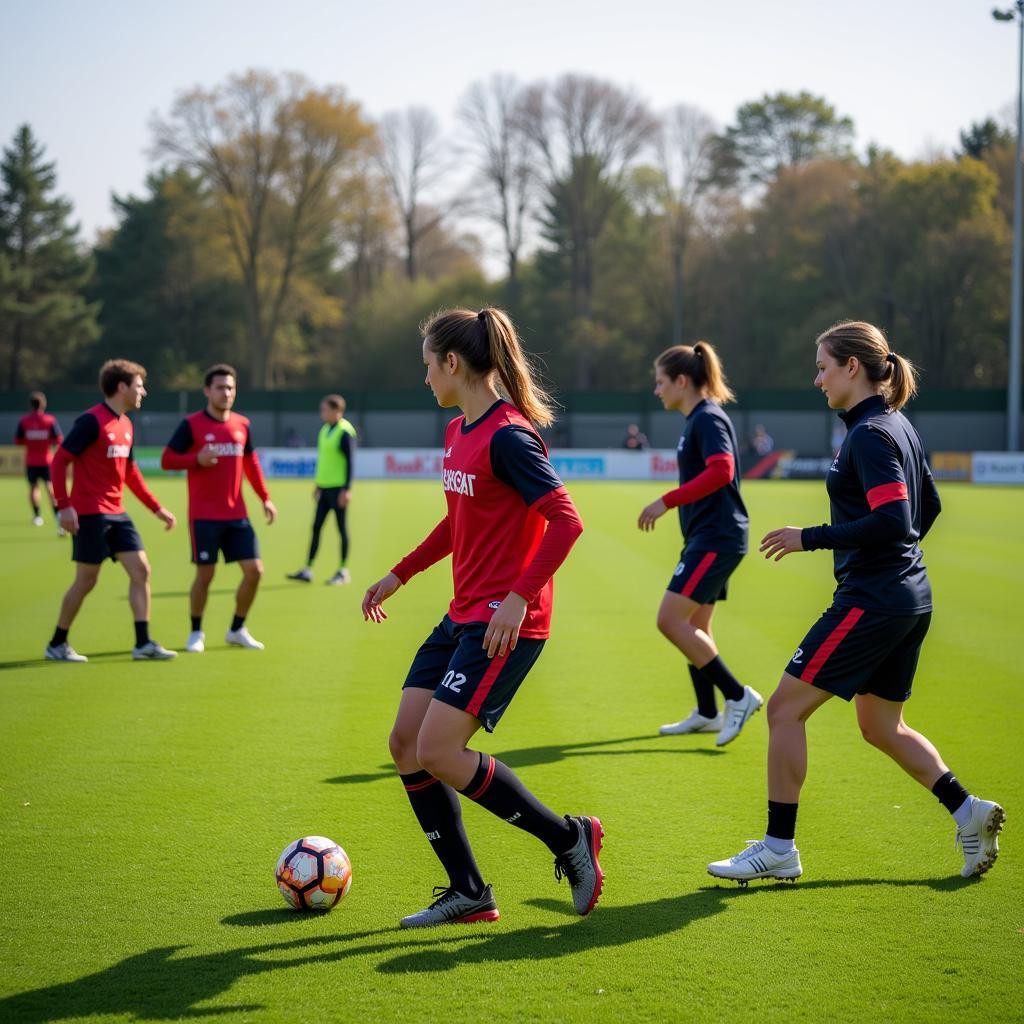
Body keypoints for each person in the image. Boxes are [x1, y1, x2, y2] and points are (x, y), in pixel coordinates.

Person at [708, 321, 1004, 883]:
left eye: (822, 366)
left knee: (783, 709)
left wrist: (810, 536)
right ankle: (969, 811)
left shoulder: (869, 434)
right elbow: (929, 508)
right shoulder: (895, 426)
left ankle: (777, 848)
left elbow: (896, 518)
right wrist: (898, 563)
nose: (816, 378)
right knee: (880, 725)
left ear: (851, 367)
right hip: (907, 597)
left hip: (875, 599)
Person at [362, 306, 601, 929]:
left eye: (426, 366)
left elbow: (567, 522)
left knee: (439, 749)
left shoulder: (509, 435)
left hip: (505, 622)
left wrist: (519, 599)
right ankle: (468, 889)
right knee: (405, 744)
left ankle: (569, 838)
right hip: (462, 615)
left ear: (452, 363)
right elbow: (458, 520)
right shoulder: (458, 432)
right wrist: (400, 572)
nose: (424, 380)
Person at [637, 342, 761, 745]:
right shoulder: (697, 420)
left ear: (682, 381)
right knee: (695, 626)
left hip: (716, 538)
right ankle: (708, 712)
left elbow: (722, 471)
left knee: (669, 620)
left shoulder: (707, 418)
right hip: (708, 537)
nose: (657, 391)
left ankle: (737, 696)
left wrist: (665, 501)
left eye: (661, 382)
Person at [45, 359, 177, 662]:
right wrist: (64, 507)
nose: (143, 392)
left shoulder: (126, 424)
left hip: (118, 512)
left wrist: (156, 508)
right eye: (139, 386)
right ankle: (57, 643)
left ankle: (143, 643)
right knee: (87, 580)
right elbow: (59, 461)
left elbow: (130, 473)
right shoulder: (91, 422)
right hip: (91, 512)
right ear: (122, 387)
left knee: (142, 570)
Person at [161, 364, 277, 653]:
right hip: (204, 517)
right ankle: (196, 631)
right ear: (207, 391)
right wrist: (195, 459)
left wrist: (265, 498)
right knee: (206, 575)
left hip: (237, 515)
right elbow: (167, 459)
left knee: (255, 571)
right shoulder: (191, 425)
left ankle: (237, 629)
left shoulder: (242, 425)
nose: (226, 393)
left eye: (230, 387)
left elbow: (251, 464)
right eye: (220, 387)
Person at [287, 395, 356, 586]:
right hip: (325, 489)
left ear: (336, 411)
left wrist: (346, 489)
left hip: (338, 489)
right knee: (316, 527)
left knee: (341, 529)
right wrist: (318, 485)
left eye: (325, 409)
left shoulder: (344, 432)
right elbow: (325, 460)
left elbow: (350, 461)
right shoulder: (325, 429)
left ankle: (343, 571)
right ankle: (307, 569)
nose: (322, 413)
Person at [15, 391, 63, 531]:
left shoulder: (24, 421)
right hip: (47, 460)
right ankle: (58, 519)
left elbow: (18, 441)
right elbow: (58, 440)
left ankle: (37, 517)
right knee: (50, 489)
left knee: (33, 488)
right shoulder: (49, 420)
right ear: (43, 404)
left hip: (31, 461)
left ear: (30, 405)